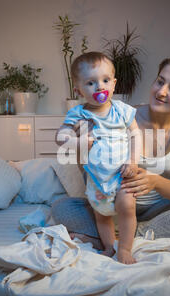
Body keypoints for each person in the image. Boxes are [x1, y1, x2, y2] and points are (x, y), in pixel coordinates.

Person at [52, 55, 170, 259]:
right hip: (114, 201)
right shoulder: (121, 116)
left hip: (158, 211)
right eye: (160, 81)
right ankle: (119, 234)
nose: (161, 91)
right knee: (62, 206)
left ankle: (128, 235)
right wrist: (81, 144)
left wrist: (155, 182)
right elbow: (92, 169)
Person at [55, 52, 142, 264]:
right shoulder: (78, 113)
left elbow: (136, 134)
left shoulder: (122, 110)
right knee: (101, 215)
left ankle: (124, 249)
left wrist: (133, 161)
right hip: (96, 180)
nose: (100, 87)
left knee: (127, 208)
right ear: (79, 90)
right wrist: (78, 143)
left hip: (122, 175)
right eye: (91, 83)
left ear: (114, 84)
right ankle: (109, 246)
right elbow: (60, 137)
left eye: (105, 81)